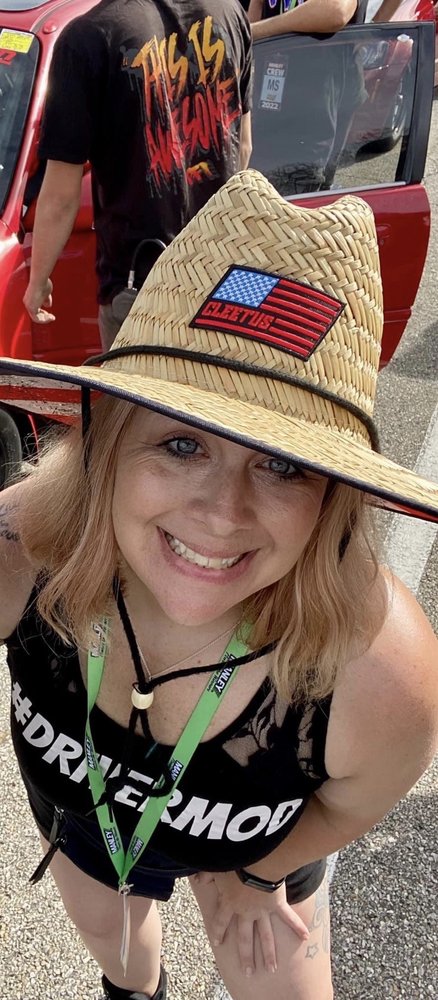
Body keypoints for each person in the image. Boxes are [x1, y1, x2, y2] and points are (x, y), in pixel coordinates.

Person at [1, 169, 437, 1000]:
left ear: (334, 500)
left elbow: (357, 800)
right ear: (106, 444)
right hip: (90, 832)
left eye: (283, 465)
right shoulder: (27, 547)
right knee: (125, 967)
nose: (222, 514)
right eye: (182, 445)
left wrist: (264, 870)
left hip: (258, 850)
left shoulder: (379, 667)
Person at [23, 0, 253, 351]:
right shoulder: (231, 12)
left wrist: (38, 280)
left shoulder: (88, 37)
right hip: (224, 278)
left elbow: (60, 197)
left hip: (141, 289)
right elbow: (244, 148)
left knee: (134, 390)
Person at [247, 0, 367, 194]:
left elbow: (336, 10)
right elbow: (256, 11)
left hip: (309, 132)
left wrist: (254, 32)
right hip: (266, 117)